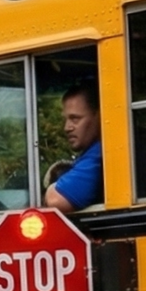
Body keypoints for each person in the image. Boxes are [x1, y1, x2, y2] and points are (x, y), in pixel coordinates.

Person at [43, 81, 103, 212]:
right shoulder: (90, 153)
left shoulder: (101, 153)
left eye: (75, 119)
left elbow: (56, 200)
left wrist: (53, 185)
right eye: (65, 120)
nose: (67, 128)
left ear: (99, 116)